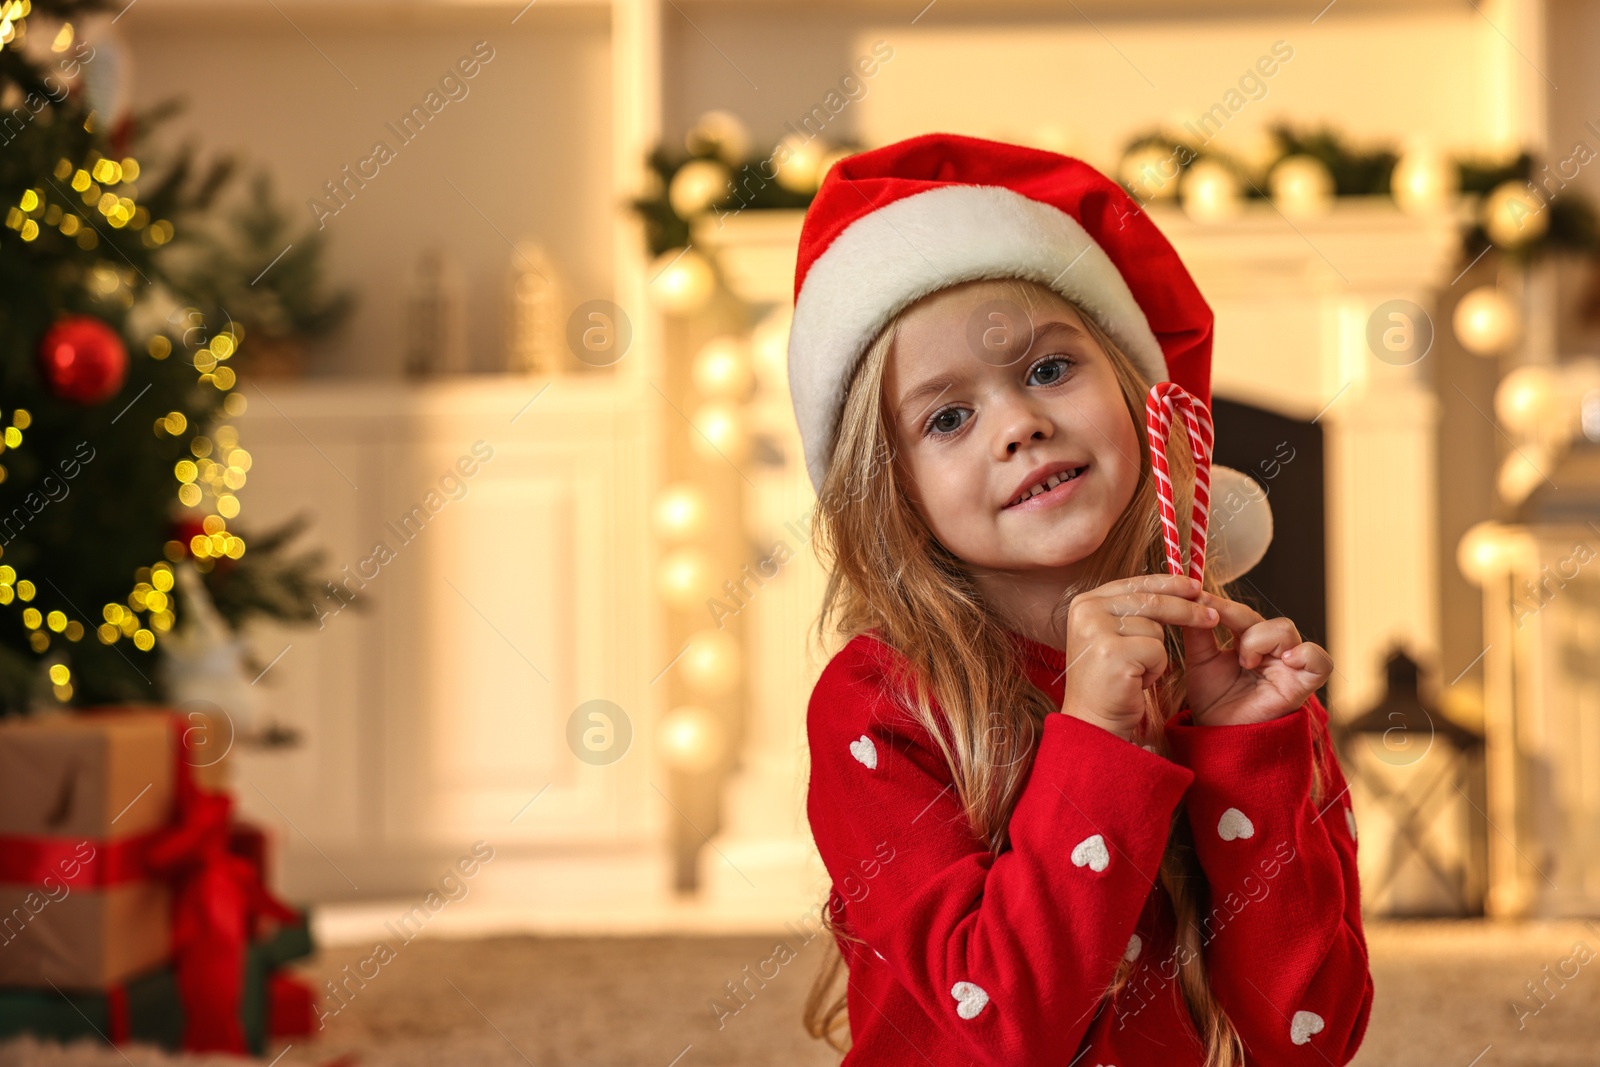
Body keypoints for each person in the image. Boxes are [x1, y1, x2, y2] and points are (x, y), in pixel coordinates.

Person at [788, 132, 1372, 1066]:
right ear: (890, 488)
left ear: (1141, 396)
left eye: (1049, 368)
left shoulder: (1233, 675)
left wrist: (1241, 752)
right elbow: (1007, 1030)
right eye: (947, 416)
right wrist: (1097, 741)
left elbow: (1311, 1037)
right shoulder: (878, 705)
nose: (1020, 423)